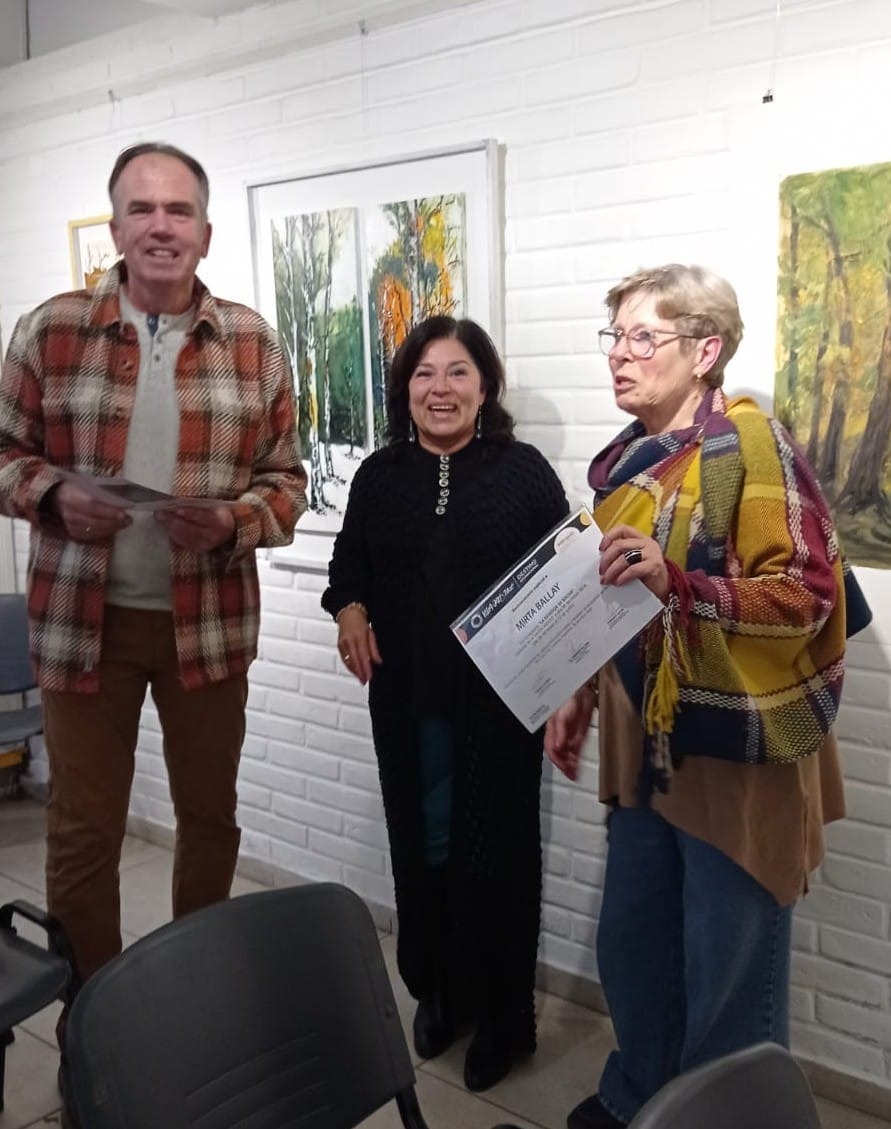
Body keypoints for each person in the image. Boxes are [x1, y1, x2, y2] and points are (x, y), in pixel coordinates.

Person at [0, 142, 307, 993]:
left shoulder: (252, 342)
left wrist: (230, 522)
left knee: (210, 820)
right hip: (83, 627)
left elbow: (287, 484)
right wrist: (54, 496)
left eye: (179, 210)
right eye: (142, 210)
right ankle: (95, 1019)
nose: (161, 226)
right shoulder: (52, 329)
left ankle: (195, 999)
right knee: (84, 830)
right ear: (116, 229)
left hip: (209, 625)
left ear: (205, 233)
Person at [545, 265, 863, 1129]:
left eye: (643, 337)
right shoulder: (631, 464)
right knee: (635, 946)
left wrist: (680, 586)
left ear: (705, 349)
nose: (619, 354)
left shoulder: (751, 449)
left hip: (736, 750)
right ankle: (640, 1101)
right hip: (649, 746)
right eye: (614, 336)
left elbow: (806, 593)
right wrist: (580, 686)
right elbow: (616, 598)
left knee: (728, 971)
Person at [322, 316, 569, 1092]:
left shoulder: (523, 472)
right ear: (404, 389)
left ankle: (501, 1015)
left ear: (484, 385)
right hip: (407, 703)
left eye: (458, 371)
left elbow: (566, 579)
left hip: (499, 707)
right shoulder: (378, 476)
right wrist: (350, 610)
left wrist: (572, 682)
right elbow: (348, 564)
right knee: (423, 846)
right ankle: (439, 990)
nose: (441, 388)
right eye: (425, 373)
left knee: (497, 856)